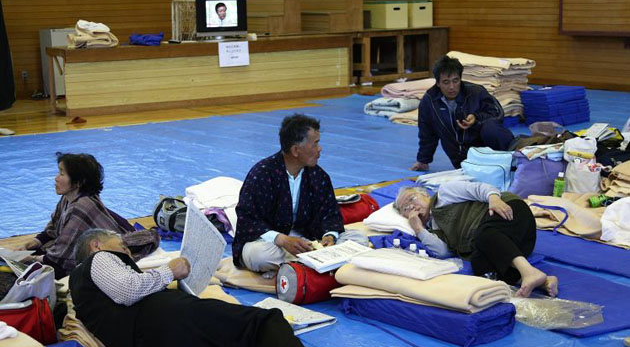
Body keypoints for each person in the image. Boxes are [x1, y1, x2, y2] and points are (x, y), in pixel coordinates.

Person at [70, 229, 409, 347]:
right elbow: (130, 291)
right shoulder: (97, 261)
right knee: (266, 322)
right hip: (166, 322)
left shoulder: (86, 297)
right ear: (97, 246)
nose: (125, 247)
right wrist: (169, 272)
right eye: (119, 243)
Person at [233, 114, 369, 277]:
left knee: (358, 238)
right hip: (274, 244)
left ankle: (299, 266)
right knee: (260, 255)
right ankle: (316, 264)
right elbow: (247, 219)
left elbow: (331, 214)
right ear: (296, 150)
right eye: (315, 143)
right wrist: (282, 239)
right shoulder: (262, 174)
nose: (320, 149)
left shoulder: (319, 176)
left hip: (307, 241)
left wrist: (330, 236)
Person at [394, 181, 558, 298]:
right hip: (508, 244)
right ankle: (541, 280)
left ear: (424, 194)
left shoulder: (444, 194)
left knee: (485, 234)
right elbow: (443, 252)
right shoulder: (432, 229)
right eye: (406, 209)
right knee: (481, 267)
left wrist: (494, 199)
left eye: (411, 199)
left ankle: (528, 272)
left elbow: (480, 188)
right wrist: (418, 229)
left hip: (510, 213)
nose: (412, 207)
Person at [19, 153, 130, 279]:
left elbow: (60, 256)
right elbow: (53, 228)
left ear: (78, 182)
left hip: (100, 256)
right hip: (71, 250)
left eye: (61, 174)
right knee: (30, 257)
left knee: (37, 271)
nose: (56, 178)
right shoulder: (67, 198)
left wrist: (31, 258)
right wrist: (33, 243)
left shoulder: (81, 207)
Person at [410, 55, 515, 171]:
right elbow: (427, 133)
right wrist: (423, 160)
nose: (452, 87)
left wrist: (476, 118)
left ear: (460, 79)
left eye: (455, 81)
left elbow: (497, 113)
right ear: (438, 83)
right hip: (462, 159)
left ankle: (515, 158)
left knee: (491, 127)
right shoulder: (429, 101)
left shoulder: (476, 92)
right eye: (446, 82)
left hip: (489, 148)